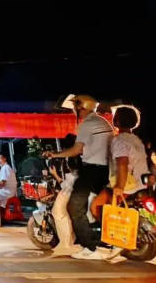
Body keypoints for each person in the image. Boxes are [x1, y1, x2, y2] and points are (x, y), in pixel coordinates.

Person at [43, 94, 113, 260]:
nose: (75, 110)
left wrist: (55, 154)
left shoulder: (87, 124)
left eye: (76, 107)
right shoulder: (103, 121)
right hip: (104, 170)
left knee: (75, 207)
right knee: (84, 207)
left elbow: (76, 150)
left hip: (92, 170)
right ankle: (92, 243)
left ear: (83, 107)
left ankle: (91, 247)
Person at [49, 157, 81, 256]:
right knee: (63, 220)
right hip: (64, 200)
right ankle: (67, 241)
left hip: (62, 201)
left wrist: (55, 174)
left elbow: (64, 186)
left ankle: (67, 243)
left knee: (63, 220)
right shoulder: (76, 175)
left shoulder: (73, 176)